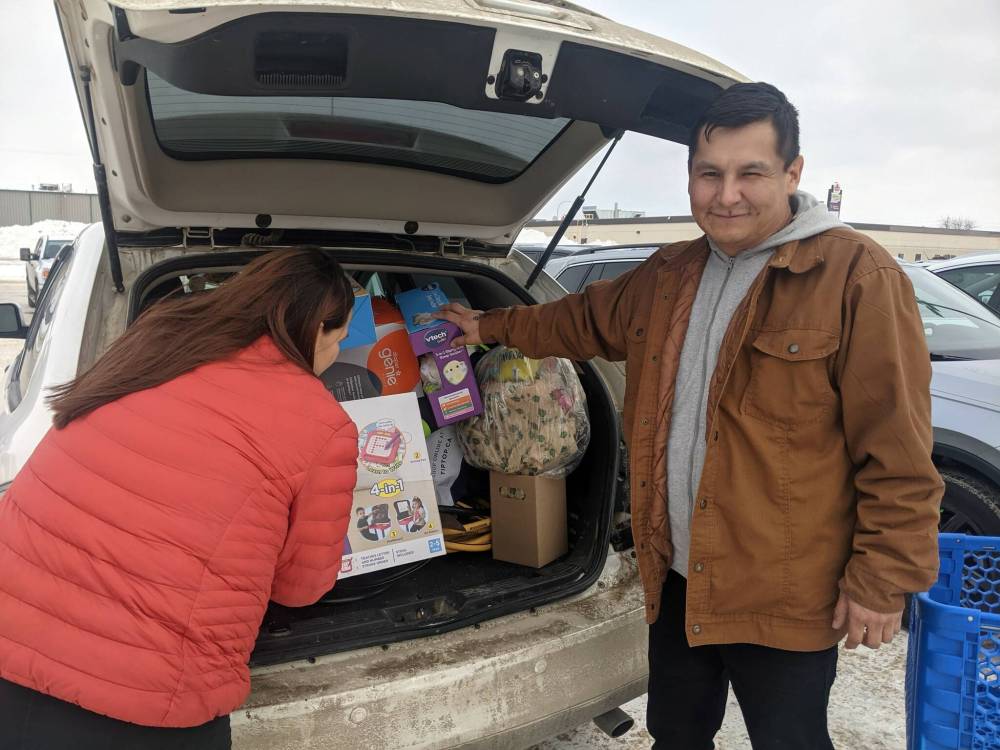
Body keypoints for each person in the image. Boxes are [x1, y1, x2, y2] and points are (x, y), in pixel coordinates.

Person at [440, 82, 944, 748]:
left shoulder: (857, 277)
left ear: (793, 173)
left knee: (789, 738)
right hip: (680, 572)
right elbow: (579, 319)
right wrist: (488, 325)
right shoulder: (669, 273)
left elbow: (899, 451)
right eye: (709, 173)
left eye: (750, 173)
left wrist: (882, 582)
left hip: (785, 587)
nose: (725, 193)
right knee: (676, 732)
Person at [0, 248, 361, 749]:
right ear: (319, 327)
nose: (334, 357)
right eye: (339, 340)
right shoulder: (322, 425)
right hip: (144, 700)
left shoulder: (156, 341)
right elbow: (300, 587)